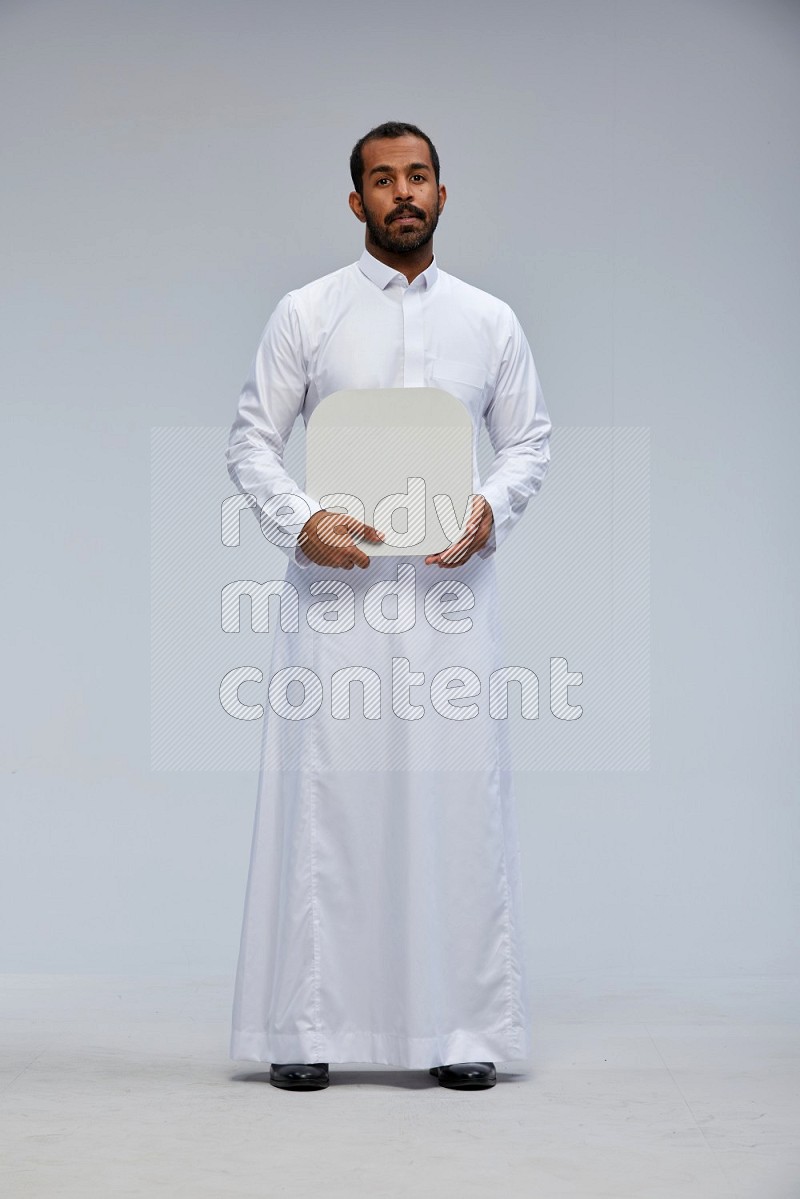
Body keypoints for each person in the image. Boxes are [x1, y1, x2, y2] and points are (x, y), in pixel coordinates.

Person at [226, 121, 552, 1092]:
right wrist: (298, 521)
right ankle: (305, 1021)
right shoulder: (307, 312)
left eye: (416, 177)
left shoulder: (488, 321)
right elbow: (250, 438)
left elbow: (529, 440)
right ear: (355, 199)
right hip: (337, 601)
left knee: (457, 799)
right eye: (381, 179)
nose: (400, 192)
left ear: (442, 195)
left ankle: (460, 1029)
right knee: (329, 795)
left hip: (450, 599)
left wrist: (489, 507)